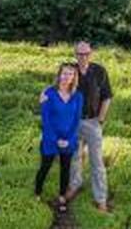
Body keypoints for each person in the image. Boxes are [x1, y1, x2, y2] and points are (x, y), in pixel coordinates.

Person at [41, 41, 113, 213]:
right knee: (74, 157)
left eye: (86, 53)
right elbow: (58, 83)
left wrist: (101, 119)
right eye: (80, 54)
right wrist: (44, 93)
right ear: (75, 54)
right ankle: (74, 185)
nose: (83, 57)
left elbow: (107, 96)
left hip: (92, 122)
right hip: (72, 123)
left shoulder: (99, 71)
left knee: (97, 162)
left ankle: (101, 198)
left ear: (91, 53)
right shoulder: (71, 69)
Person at [35, 63, 83, 212]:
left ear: (74, 77)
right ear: (59, 75)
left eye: (70, 74)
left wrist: (68, 139)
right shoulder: (49, 93)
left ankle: (62, 196)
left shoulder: (78, 96)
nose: (67, 77)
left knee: (65, 168)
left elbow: (77, 119)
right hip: (51, 138)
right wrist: (56, 139)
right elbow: (46, 119)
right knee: (45, 166)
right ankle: (37, 192)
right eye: (64, 73)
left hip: (69, 138)